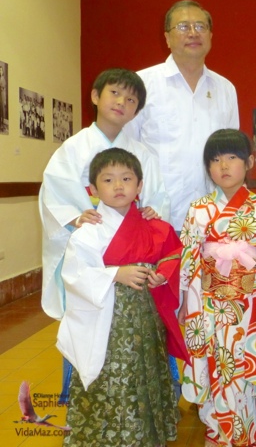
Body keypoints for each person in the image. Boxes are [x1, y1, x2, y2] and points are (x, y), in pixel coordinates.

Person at [39, 68, 169, 403]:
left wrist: (152, 211)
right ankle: (77, 396)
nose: (122, 102)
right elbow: (54, 193)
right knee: (83, 323)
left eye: (131, 99)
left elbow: (157, 197)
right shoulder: (72, 148)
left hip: (131, 255)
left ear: (137, 110)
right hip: (91, 252)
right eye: (115, 93)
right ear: (96, 96)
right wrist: (75, 217)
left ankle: (139, 399)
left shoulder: (143, 153)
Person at [57, 148, 186, 446]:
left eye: (126, 179)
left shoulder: (153, 225)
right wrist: (115, 274)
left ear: (139, 185)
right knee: (113, 372)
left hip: (146, 316)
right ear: (93, 190)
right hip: (108, 321)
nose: (118, 186)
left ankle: (146, 432)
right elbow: (75, 273)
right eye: (108, 180)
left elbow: (174, 254)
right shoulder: (89, 231)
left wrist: (161, 275)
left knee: (146, 368)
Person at [179, 129, 256, 447]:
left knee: (246, 365)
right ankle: (218, 430)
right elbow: (189, 260)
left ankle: (251, 431)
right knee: (216, 362)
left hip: (250, 303)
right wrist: (187, 302)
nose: (223, 166)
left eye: (231, 158)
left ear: (249, 162)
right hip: (209, 302)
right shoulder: (198, 209)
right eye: (215, 160)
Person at [125, 0, 239, 231]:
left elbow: (233, 154)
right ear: (167, 38)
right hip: (155, 217)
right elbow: (125, 149)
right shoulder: (142, 84)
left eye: (200, 26)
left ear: (210, 36)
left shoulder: (225, 89)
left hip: (213, 220)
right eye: (183, 27)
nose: (193, 33)